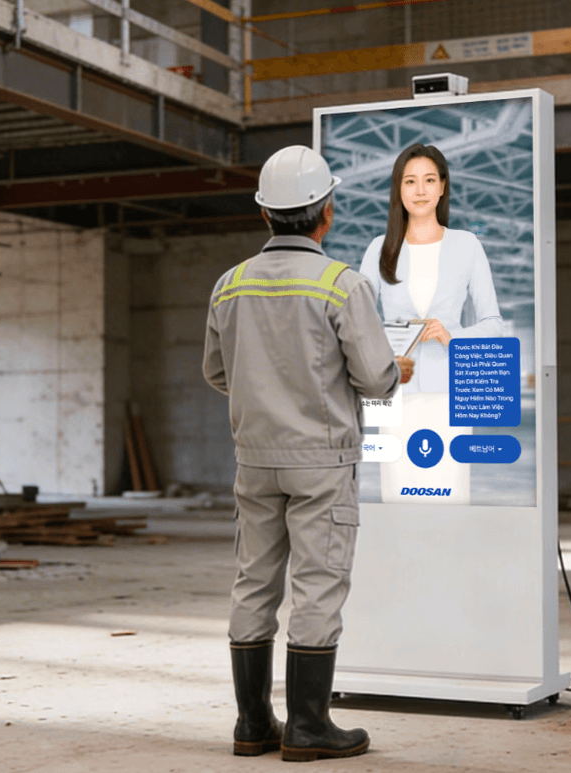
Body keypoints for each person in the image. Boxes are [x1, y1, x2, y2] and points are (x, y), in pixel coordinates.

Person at [203, 145, 413, 762]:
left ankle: (252, 724)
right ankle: (308, 725)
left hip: (254, 459)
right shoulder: (340, 284)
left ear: (264, 214)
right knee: (317, 586)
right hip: (321, 462)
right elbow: (375, 380)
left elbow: (217, 372)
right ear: (327, 213)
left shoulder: (229, 285)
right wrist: (393, 370)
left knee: (253, 583)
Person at [359, 143, 503, 505]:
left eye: (429, 180)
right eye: (410, 181)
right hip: (395, 392)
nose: (420, 190)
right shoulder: (379, 248)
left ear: (442, 186)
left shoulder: (467, 245)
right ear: (399, 189)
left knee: (449, 498)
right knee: (399, 498)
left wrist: (452, 336)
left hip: (448, 396)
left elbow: (493, 324)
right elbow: (357, 322)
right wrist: (389, 340)